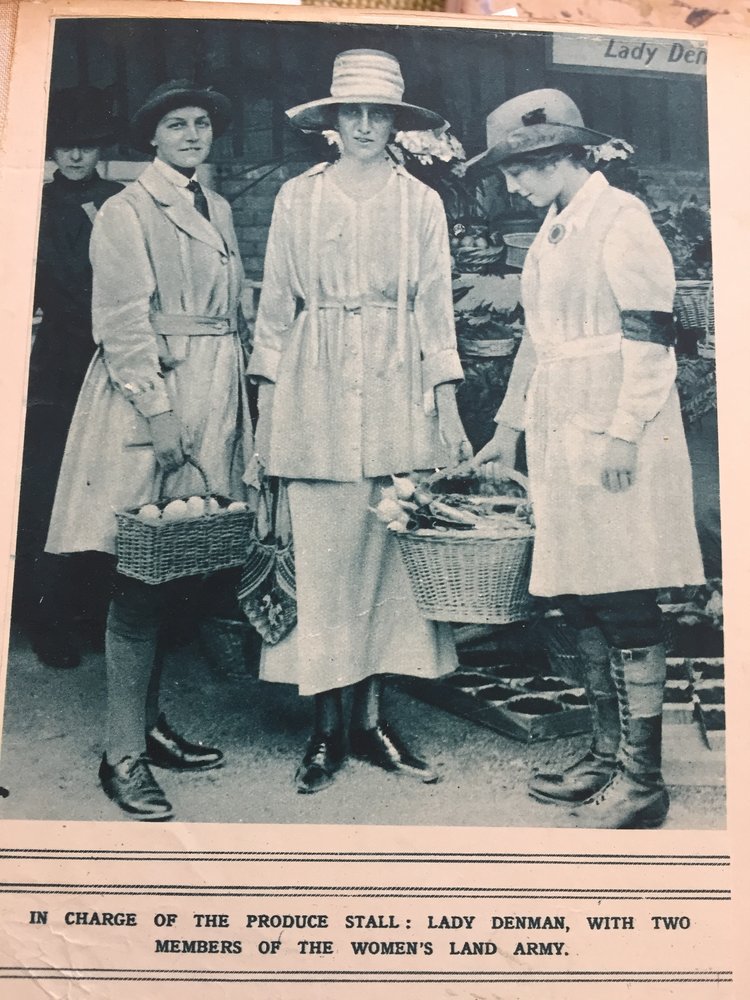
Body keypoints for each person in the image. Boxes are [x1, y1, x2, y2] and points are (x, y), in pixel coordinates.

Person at [471, 90, 705, 829]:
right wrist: (509, 429)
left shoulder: (622, 219)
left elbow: (649, 335)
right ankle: (606, 756)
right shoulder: (555, 229)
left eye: (521, 169)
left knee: (623, 593)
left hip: (612, 426)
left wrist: (624, 431)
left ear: (560, 155)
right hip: (560, 425)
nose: (513, 184)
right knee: (579, 592)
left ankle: (644, 781)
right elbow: (540, 341)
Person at [248, 49, 470, 794]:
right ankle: (324, 730)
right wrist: (267, 418)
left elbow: (435, 309)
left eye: (381, 114)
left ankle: (372, 724)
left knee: (387, 564)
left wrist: (446, 404)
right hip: (314, 384)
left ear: (398, 123)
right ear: (332, 122)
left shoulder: (421, 204)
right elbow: (275, 311)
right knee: (324, 560)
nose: (367, 126)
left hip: (396, 380)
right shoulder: (297, 199)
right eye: (354, 112)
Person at [46, 80, 254, 820]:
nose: (192, 133)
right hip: (153, 403)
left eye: (202, 122)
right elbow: (123, 323)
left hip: (215, 395)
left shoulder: (219, 208)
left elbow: (232, 307)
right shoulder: (124, 212)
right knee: (141, 570)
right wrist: (159, 414)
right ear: (152, 139)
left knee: (179, 570)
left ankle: (150, 726)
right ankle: (121, 754)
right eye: (176, 124)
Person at [13, 86, 123, 669]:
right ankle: (46, 620)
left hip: (112, 353)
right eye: (65, 147)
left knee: (109, 485)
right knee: (50, 487)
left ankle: (97, 615)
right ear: (53, 149)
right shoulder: (35, 205)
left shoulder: (121, 202)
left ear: (99, 148)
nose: (75, 157)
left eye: (85, 146)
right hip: (59, 357)